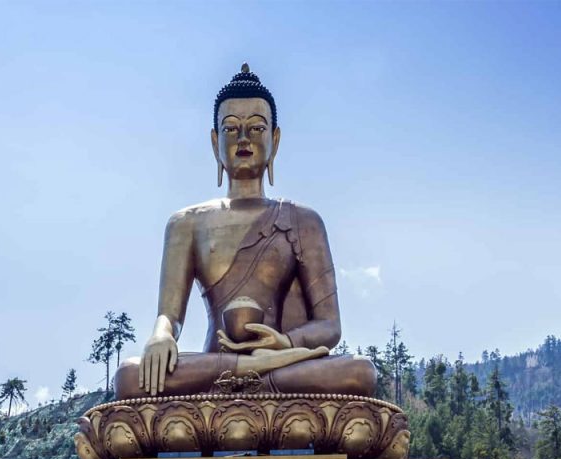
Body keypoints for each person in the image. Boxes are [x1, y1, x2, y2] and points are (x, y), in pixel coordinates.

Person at [115, 64, 376, 400]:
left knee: (360, 371)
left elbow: (329, 326)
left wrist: (286, 343)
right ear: (215, 142)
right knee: (129, 375)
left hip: (281, 362)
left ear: (274, 140)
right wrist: (161, 335)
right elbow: (169, 315)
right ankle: (248, 373)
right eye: (231, 129)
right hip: (218, 363)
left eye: (256, 128)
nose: (243, 139)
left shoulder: (303, 220)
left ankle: (246, 378)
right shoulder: (186, 223)